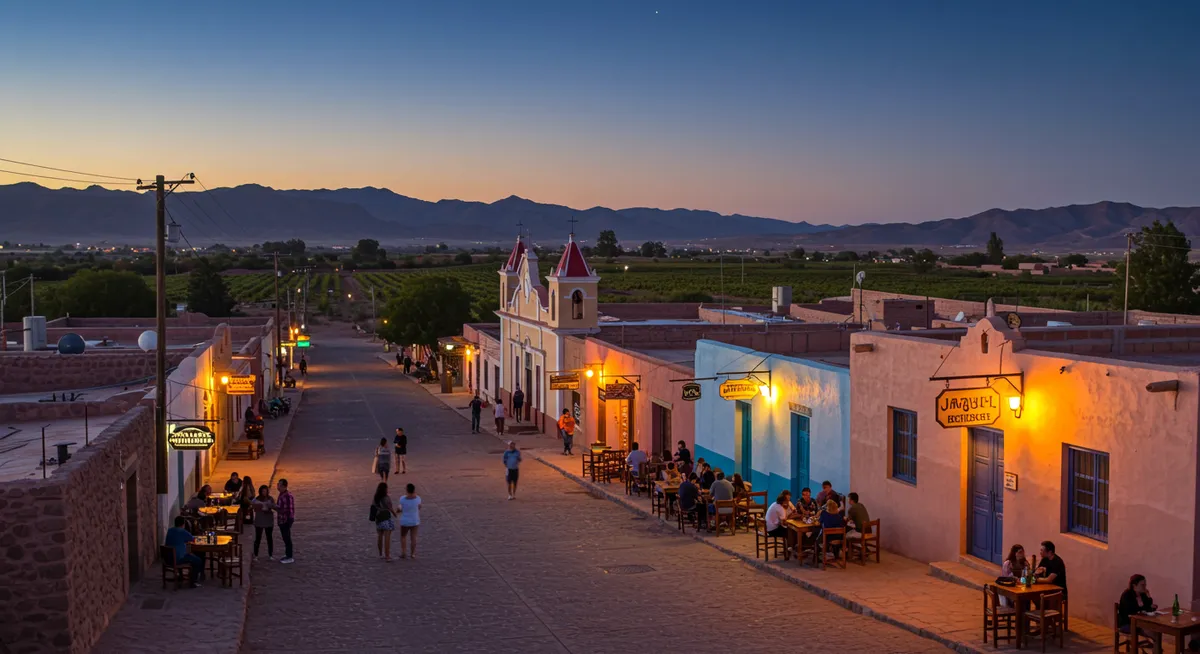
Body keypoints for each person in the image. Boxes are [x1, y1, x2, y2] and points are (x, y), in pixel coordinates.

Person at [164, 515, 203, 588]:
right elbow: (193, 539)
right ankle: (193, 581)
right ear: (183, 524)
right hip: (178, 558)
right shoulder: (182, 531)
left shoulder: (170, 530)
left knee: (189, 556)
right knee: (197, 560)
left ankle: (181, 576)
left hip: (168, 558)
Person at [251, 484, 276, 561]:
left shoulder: (270, 499)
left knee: (269, 538)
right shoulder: (256, 500)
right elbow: (253, 507)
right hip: (259, 520)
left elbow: (274, 507)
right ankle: (256, 555)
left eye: (266, 491)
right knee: (258, 538)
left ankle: (270, 554)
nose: (264, 493)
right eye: (263, 491)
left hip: (268, 520)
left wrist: (269, 506)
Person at [373, 482, 397, 561]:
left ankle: (380, 553)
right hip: (386, 517)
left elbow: (373, 507)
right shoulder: (386, 497)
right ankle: (387, 556)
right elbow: (390, 507)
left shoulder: (375, 497)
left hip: (378, 518)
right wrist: (395, 514)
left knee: (379, 536)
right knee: (387, 537)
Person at [397, 483, 421, 560]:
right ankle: (413, 553)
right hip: (415, 520)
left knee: (403, 536)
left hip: (405, 521)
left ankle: (404, 552)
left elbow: (399, 509)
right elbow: (419, 507)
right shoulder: (418, 498)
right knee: (413, 537)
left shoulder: (402, 499)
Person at [275, 478, 295, 564]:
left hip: (286, 520)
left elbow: (288, 510)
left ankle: (290, 556)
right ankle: (287, 554)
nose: (278, 486)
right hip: (282, 519)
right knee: (285, 537)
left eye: (279, 485)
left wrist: (275, 508)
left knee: (287, 538)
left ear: (283, 486)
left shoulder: (287, 496)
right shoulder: (281, 494)